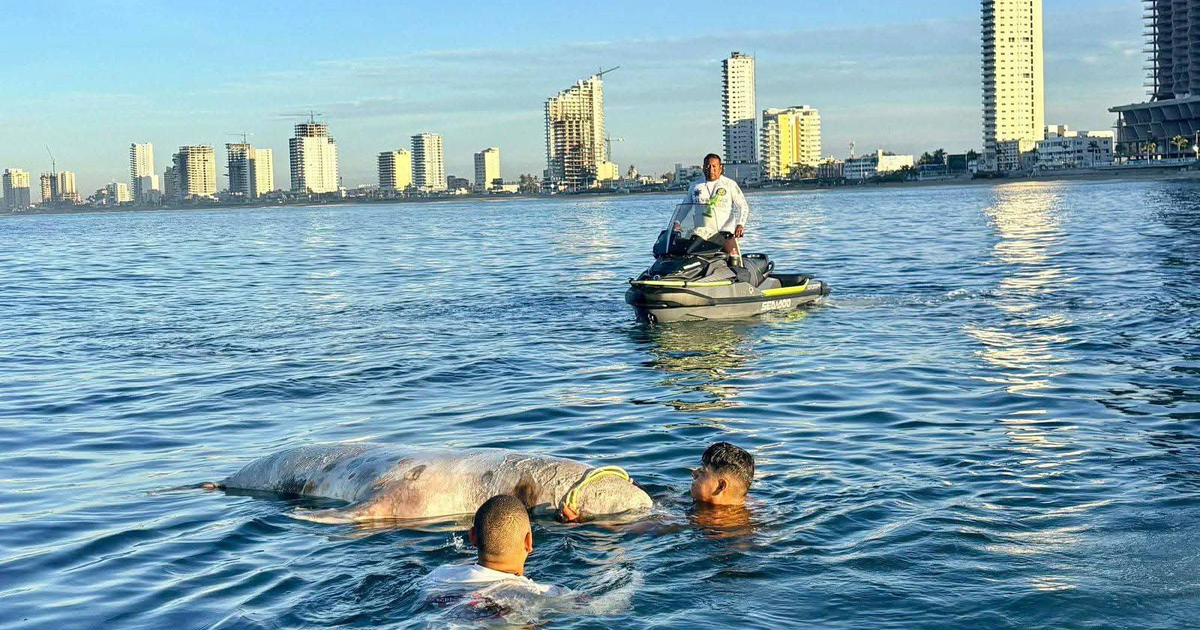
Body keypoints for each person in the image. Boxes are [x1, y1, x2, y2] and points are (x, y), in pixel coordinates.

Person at [424, 494, 567, 609]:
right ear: (528, 541)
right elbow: (587, 606)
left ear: (472, 536)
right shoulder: (543, 593)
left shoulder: (439, 574)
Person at [685, 154, 751, 258]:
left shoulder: (729, 184)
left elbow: (743, 206)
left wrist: (740, 224)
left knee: (735, 259)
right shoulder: (695, 186)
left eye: (714, 166)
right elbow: (685, 208)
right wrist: (677, 223)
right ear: (703, 167)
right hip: (701, 233)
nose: (711, 169)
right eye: (708, 166)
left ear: (720, 168)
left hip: (724, 234)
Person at [690, 441, 755, 506]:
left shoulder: (707, 515)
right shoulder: (752, 504)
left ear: (721, 486)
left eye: (702, 472)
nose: (693, 474)